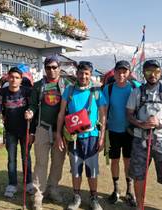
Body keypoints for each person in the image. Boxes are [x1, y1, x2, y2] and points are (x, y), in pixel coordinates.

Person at [126, 60, 162, 210]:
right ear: (143, 73)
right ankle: (139, 206)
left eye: (156, 71)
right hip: (140, 139)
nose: (152, 74)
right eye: (149, 71)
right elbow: (129, 114)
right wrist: (140, 124)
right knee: (138, 176)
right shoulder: (136, 92)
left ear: (161, 72)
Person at [56, 61, 107, 210]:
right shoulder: (69, 91)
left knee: (92, 170)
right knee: (76, 169)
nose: (83, 76)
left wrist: (102, 137)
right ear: (76, 74)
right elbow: (61, 114)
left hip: (92, 137)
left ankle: (93, 198)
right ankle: (76, 196)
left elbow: (103, 116)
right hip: (74, 138)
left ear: (90, 75)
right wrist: (59, 135)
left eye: (87, 73)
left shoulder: (97, 92)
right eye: (81, 73)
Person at [24, 55, 71, 210]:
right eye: (48, 67)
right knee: (41, 163)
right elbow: (33, 105)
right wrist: (30, 111)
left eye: (54, 67)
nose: (51, 70)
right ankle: (38, 195)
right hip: (42, 128)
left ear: (59, 68)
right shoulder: (38, 86)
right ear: (45, 69)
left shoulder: (67, 85)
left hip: (61, 131)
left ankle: (53, 189)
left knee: (58, 162)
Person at [0, 67, 33, 198]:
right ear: (8, 78)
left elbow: (34, 109)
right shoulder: (1, 92)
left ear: (21, 80)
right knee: (11, 159)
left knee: (26, 158)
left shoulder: (27, 92)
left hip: (25, 130)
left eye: (17, 77)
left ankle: (29, 183)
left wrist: (32, 130)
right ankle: (12, 184)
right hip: (10, 131)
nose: (14, 80)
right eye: (12, 77)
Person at [102, 60, 140, 206]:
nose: (121, 74)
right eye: (119, 71)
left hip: (130, 131)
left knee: (128, 161)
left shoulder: (135, 87)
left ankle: (129, 190)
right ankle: (116, 189)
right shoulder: (108, 88)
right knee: (115, 160)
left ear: (129, 73)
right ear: (115, 72)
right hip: (113, 131)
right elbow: (103, 111)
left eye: (124, 71)